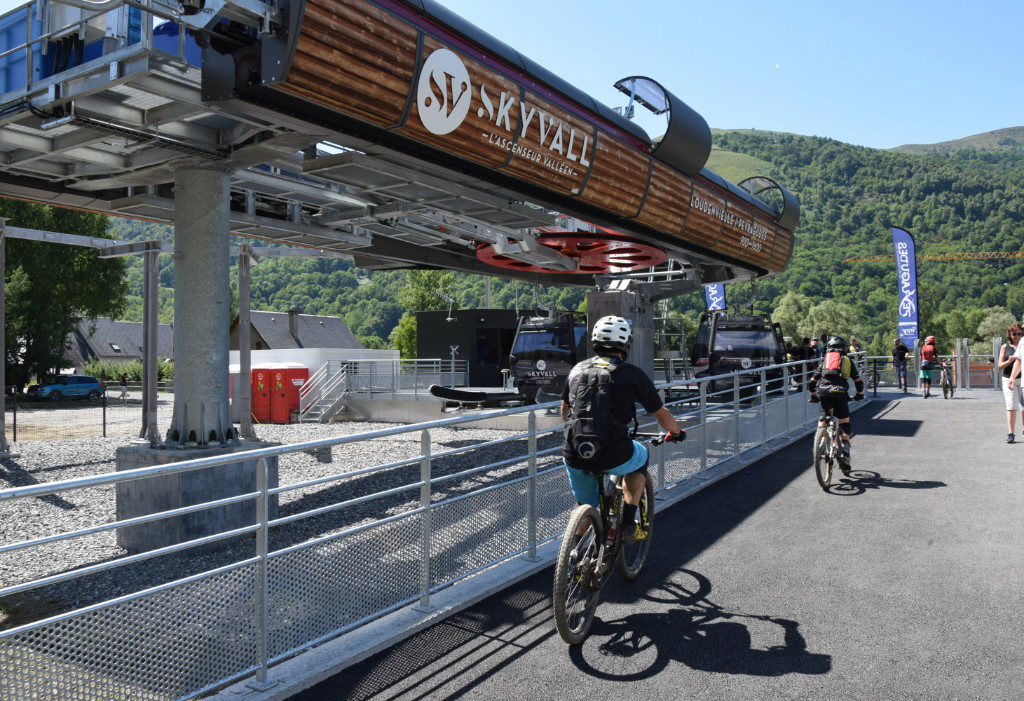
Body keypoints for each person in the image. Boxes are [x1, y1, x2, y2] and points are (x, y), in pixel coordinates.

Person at [561, 315, 685, 542]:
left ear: (595, 341)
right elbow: (660, 413)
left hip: (575, 451)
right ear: (626, 342)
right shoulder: (632, 374)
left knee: (586, 505)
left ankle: (572, 561)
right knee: (642, 456)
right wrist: (676, 433)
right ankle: (628, 522)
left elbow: (564, 413)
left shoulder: (577, 370)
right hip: (613, 451)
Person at [808, 335, 864, 471]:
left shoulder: (825, 361)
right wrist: (859, 394)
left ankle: (820, 441)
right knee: (844, 422)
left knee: (825, 414)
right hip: (840, 392)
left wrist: (814, 395)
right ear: (844, 349)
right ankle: (844, 454)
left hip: (824, 392)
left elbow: (812, 381)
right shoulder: (847, 360)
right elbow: (858, 381)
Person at [997, 324, 1023, 443]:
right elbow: (1000, 365)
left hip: (1022, 378)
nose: (1017, 336)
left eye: (1019, 334)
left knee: (1023, 407)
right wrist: (1009, 360)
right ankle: (1011, 433)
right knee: (1012, 406)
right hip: (1008, 379)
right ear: (1010, 335)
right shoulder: (1005, 347)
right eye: (1014, 334)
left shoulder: (1022, 344)